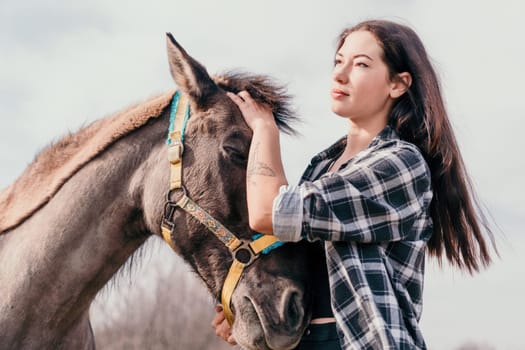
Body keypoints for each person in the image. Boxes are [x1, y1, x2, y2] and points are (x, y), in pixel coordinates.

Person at [212, 19, 494, 349]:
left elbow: (267, 213)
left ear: (398, 84)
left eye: (360, 64)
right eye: (338, 61)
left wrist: (264, 130)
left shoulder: (400, 165)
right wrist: (253, 321)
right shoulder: (322, 166)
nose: (340, 74)